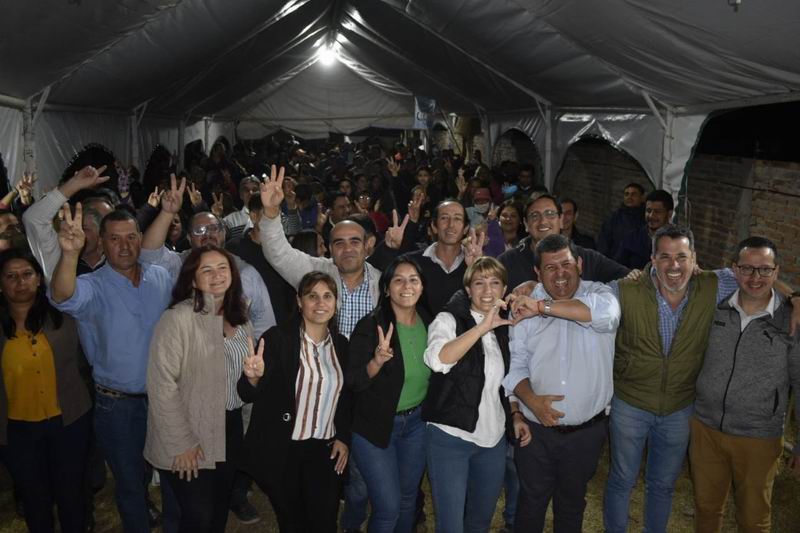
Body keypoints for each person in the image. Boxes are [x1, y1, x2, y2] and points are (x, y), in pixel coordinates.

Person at [49, 205, 174, 533]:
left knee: (170, 475)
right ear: (102, 243)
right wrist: (69, 254)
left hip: (163, 399)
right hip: (117, 406)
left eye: (131, 237)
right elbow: (61, 296)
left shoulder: (160, 277)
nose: (124, 245)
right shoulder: (91, 286)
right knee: (130, 482)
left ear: (140, 238)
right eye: (115, 239)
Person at [503, 235, 620, 532]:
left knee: (571, 506)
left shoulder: (601, 295)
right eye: (550, 267)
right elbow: (516, 365)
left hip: (585, 433)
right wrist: (532, 403)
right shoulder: (523, 306)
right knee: (530, 505)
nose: (560, 273)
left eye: (566, 264)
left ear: (579, 264)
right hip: (536, 433)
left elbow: (602, 315)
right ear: (537, 272)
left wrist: (542, 307)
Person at [690, 236, 800, 532]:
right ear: (734, 270)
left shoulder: (791, 321)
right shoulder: (715, 309)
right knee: (706, 509)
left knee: (753, 518)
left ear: (777, 272)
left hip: (758, 437)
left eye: (765, 269)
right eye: (747, 268)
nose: (755, 277)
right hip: (706, 429)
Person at [145, 245, 256, 533]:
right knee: (199, 517)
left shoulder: (241, 318)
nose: (217, 275)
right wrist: (181, 443)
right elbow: (161, 386)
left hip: (230, 427)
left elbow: (242, 386)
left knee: (218, 510)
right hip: (189, 429)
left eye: (222, 268)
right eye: (207, 270)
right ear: (192, 279)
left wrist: (254, 380)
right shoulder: (177, 319)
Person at [237, 271, 352, 533]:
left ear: (335, 303)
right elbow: (247, 393)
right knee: (293, 523)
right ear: (299, 302)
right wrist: (253, 378)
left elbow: (346, 397)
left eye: (327, 296)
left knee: (324, 522)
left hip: (324, 450)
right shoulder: (277, 339)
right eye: (312, 296)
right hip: (284, 449)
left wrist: (343, 437)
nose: (320, 303)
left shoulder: (342, 346)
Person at [422, 257, 530, 533]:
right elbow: (438, 359)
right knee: (451, 525)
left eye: (495, 283)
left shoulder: (506, 326)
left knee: (480, 522)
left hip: (492, 439)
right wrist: (482, 327)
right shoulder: (448, 319)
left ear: (504, 289)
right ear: (468, 290)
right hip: (450, 436)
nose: (487, 290)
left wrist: (516, 415)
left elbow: (506, 381)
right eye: (479, 283)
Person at [0, 248, 92, 533]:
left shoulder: (64, 319)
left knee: (72, 497)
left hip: (68, 422)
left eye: (27, 274)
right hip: (18, 431)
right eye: (11, 276)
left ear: (39, 279)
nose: (20, 282)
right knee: (35, 501)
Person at [346, 257, 433, 533]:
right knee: (388, 508)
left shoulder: (429, 321)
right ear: (386, 289)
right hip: (375, 427)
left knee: (408, 500)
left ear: (422, 287)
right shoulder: (371, 326)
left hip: (416, 424)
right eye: (398, 280)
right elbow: (353, 381)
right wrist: (376, 362)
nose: (407, 286)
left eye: (413, 280)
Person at [141, 174, 276, 339]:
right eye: (199, 231)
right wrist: (167, 213)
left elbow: (265, 326)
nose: (208, 235)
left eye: (214, 229)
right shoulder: (179, 264)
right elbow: (148, 255)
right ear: (189, 238)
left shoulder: (245, 272)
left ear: (223, 234)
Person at [498, 194, 629, 293]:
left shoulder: (588, 258)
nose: (543, 221)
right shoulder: (507, 262)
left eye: (550, 214)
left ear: (561, 220)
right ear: (526, 224)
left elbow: (629, 279)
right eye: (535, 216)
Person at [613, 189, 673, 269]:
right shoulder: (632, 238)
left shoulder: (678, 241)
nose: (651, 216)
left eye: (657, 212)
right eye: (648, 211)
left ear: (669, 214)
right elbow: (617, 267)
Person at [596, 182, 645, 259]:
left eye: (634, 194)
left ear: (642, 198)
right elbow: (603, 243)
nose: (629, 197)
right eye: (626, 194)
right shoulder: (613, 218)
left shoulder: (646, 219)